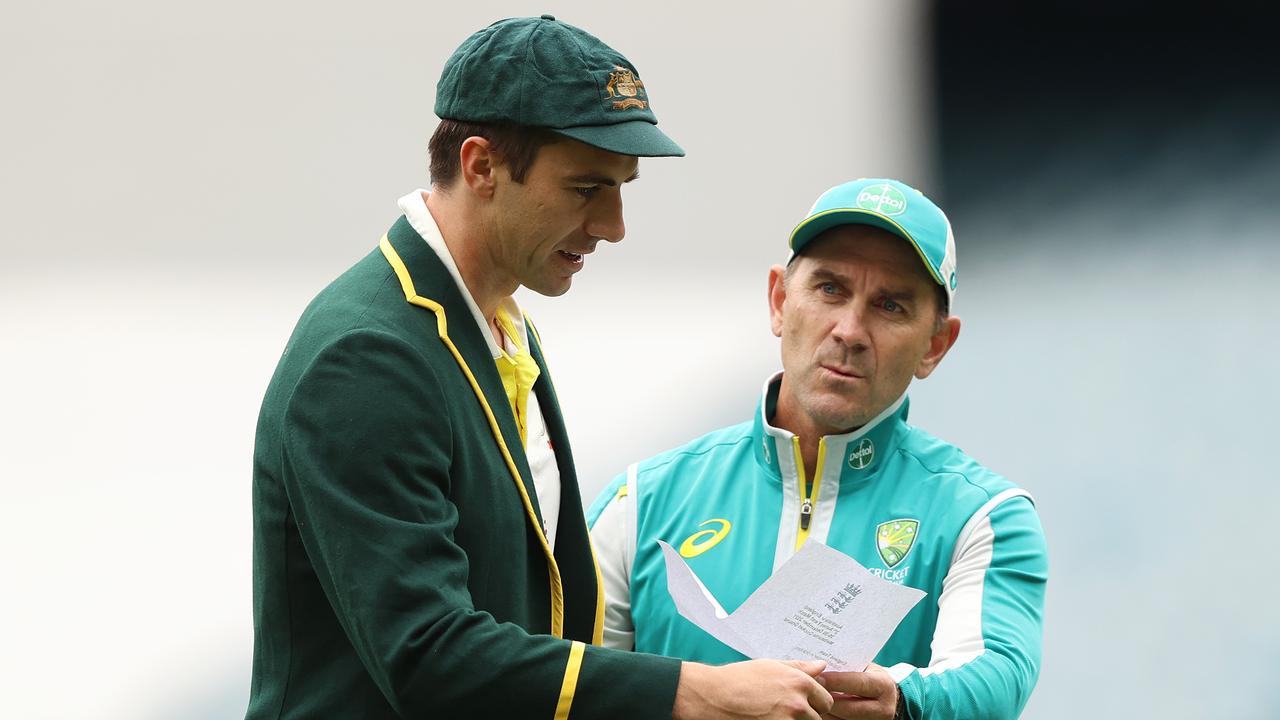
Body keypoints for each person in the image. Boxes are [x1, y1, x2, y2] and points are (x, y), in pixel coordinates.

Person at [247, 15, 834, 720]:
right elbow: (428, 655)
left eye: (622, 187)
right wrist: (692, 692)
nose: (614, 225)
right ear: (481, 167)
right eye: (587, 189)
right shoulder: (367, 358)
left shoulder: (498, 320)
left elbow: (542, 619)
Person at [588, 178, 1049, 719]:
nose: (850, 330)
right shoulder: (640, 504)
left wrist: (903, 703)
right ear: (780, 302)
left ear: (935, 345)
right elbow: (569, 683)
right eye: (830, 289)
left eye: (890, 305)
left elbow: (994, 676)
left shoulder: (984, 517)